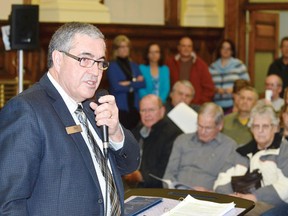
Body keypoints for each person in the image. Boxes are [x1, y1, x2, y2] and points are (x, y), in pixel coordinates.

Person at [0, 22, 140, 215]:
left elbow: (130, 164)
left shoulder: (92, 108)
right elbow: (8, 203)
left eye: (100, 62)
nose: (95, 71)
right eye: (84, 59)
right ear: (58, 59)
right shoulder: (27, 110)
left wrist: (116, 132)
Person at [214, 103, 288, 216]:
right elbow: (222, 178)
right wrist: (229, 195)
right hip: (236, 202)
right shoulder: (241, 151)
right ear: (251, 129)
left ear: (275, 128)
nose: (260, 130)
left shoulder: (283, 150)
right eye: (256, 126)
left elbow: (286, 184)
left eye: (265, 126)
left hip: (272, 205)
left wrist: (255, 196)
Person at [163, 102, 237, 191]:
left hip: (207, 199)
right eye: (199, 126)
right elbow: (168, 175)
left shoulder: (229, 147)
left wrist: (209, 193)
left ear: (220, 126)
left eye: (208, 128)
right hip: (176, 195)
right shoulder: (182, 140)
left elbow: (226, 185)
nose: (202, 131)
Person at [125, 94, 182, 188]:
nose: (147, 114)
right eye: (143, 110)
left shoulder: (173, 134)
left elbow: (167, 170)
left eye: (151, 110)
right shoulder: (136, 132)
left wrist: (140, 176)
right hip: (131, 183)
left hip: (156, 188)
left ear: (162, 111)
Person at [107, 34, 145, 129]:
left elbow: (143, 83)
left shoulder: (134, 65)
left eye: (127, 46)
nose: (125, 49)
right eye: (122, 47)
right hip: (120, 107)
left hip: (135, 106)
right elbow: (116, 87)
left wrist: (128, 82)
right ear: (116, 49)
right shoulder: (112, 66)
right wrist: (135, 82)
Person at [166, 36, 214, 105]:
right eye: (183, 46)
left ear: (192, 48)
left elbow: (209, 88)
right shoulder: (170, 63)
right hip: (174, 105)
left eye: (189, 46)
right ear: (179, 47)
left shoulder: (201, 65)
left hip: (195, 105)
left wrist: (200, 103)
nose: (186, 49)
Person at [209, 39, 250, 114]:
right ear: (219, 50)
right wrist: (216, 90)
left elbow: (247, 84)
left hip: (234, 105)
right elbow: (208, 85)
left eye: (228, 49)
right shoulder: (212, 67)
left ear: (232, 51)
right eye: (223, 48)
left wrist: (234, 90)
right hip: (216, 105)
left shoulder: (239, 65)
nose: (226, 51)